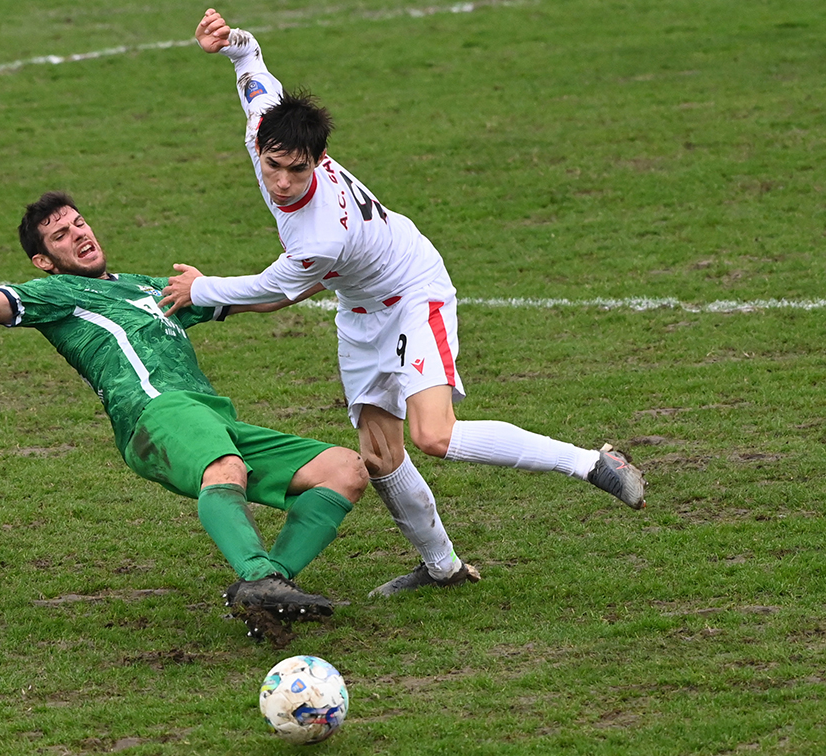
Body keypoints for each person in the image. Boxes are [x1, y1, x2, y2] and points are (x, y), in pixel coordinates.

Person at [160, 9, 647, 598]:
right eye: (273, 166)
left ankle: (590, 462)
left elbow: (274, 290)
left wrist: (203, 291)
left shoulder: (321, 233)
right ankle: (442, 568)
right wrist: (231, 41)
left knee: (433, 436)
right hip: (359, 306)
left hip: (412, 290)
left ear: (317, 162)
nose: (283, 181)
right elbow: (253, 64)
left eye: (298, 170)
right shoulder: (264, 124)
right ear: (260, 146)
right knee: (379, 452)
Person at [0, 191, 368, 644]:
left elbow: (262, 298)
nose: (79, 234)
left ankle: (266, 589)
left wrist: (330, 266)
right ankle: (259, 580)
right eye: (61, 235)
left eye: (79, 223)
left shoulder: (147, 286)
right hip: (152, 414)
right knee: (226, 469)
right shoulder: (58, 295)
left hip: (210, 415)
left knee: (344, 470)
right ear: (44, 261)